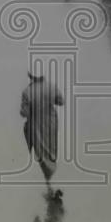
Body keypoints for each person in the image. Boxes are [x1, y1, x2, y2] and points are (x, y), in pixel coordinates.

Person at [20, 65, 66, 199]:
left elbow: (25, 113)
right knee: (52, 150)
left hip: (37, 125)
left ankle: (50, 184)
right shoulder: (51, 86)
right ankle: (53, 182)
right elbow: (61, 101)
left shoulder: (27, 92)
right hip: (51, 123)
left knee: (41, 153)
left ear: (31, 76)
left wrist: (22, 109)